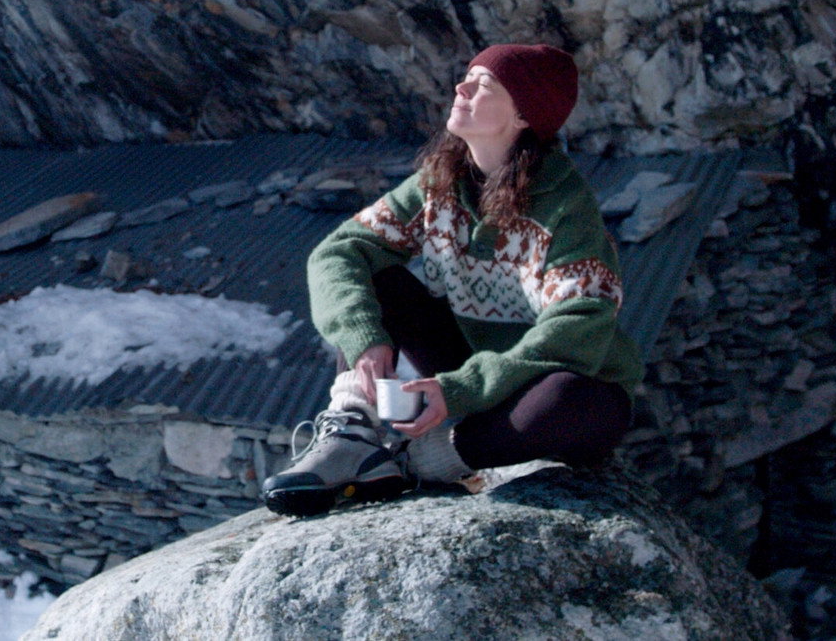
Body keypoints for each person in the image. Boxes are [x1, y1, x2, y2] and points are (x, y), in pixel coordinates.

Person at [262, 43, 642, 517]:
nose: (461, 88)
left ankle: (418, 460)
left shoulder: (567, 209)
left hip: (550, 388)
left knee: (573, 398)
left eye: (485, 85)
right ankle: (352, 432)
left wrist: (459, 389)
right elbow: (338, 251)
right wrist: (364, 340)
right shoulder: (440, 183)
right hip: (473, 368)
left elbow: (575, 331)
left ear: (524, 115)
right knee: (377, 278)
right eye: (468, 76)